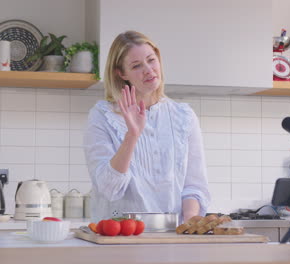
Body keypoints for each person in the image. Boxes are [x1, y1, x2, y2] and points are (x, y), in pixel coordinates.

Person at [84, 30, 210, 223]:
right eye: (136, 66)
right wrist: (132, 136)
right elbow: (108, 189)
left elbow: (194, 184)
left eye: (151, 60)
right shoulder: (102, 116)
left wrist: (190, 221)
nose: (149, 70)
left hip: (172, 238)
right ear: (121, 73)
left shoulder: (184, 116)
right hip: (120, 236)